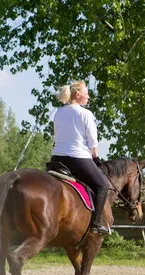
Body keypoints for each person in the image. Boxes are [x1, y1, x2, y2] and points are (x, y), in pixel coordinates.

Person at [51, 81, 110, 235]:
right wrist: (96, 159)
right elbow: (93, 144)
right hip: (77, 159)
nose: (88, 97)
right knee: (103, 185)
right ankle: (96, 224)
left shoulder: (59, 112)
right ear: (78, 95)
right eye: (86, 93)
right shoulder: (85, 114)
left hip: (56, 159)